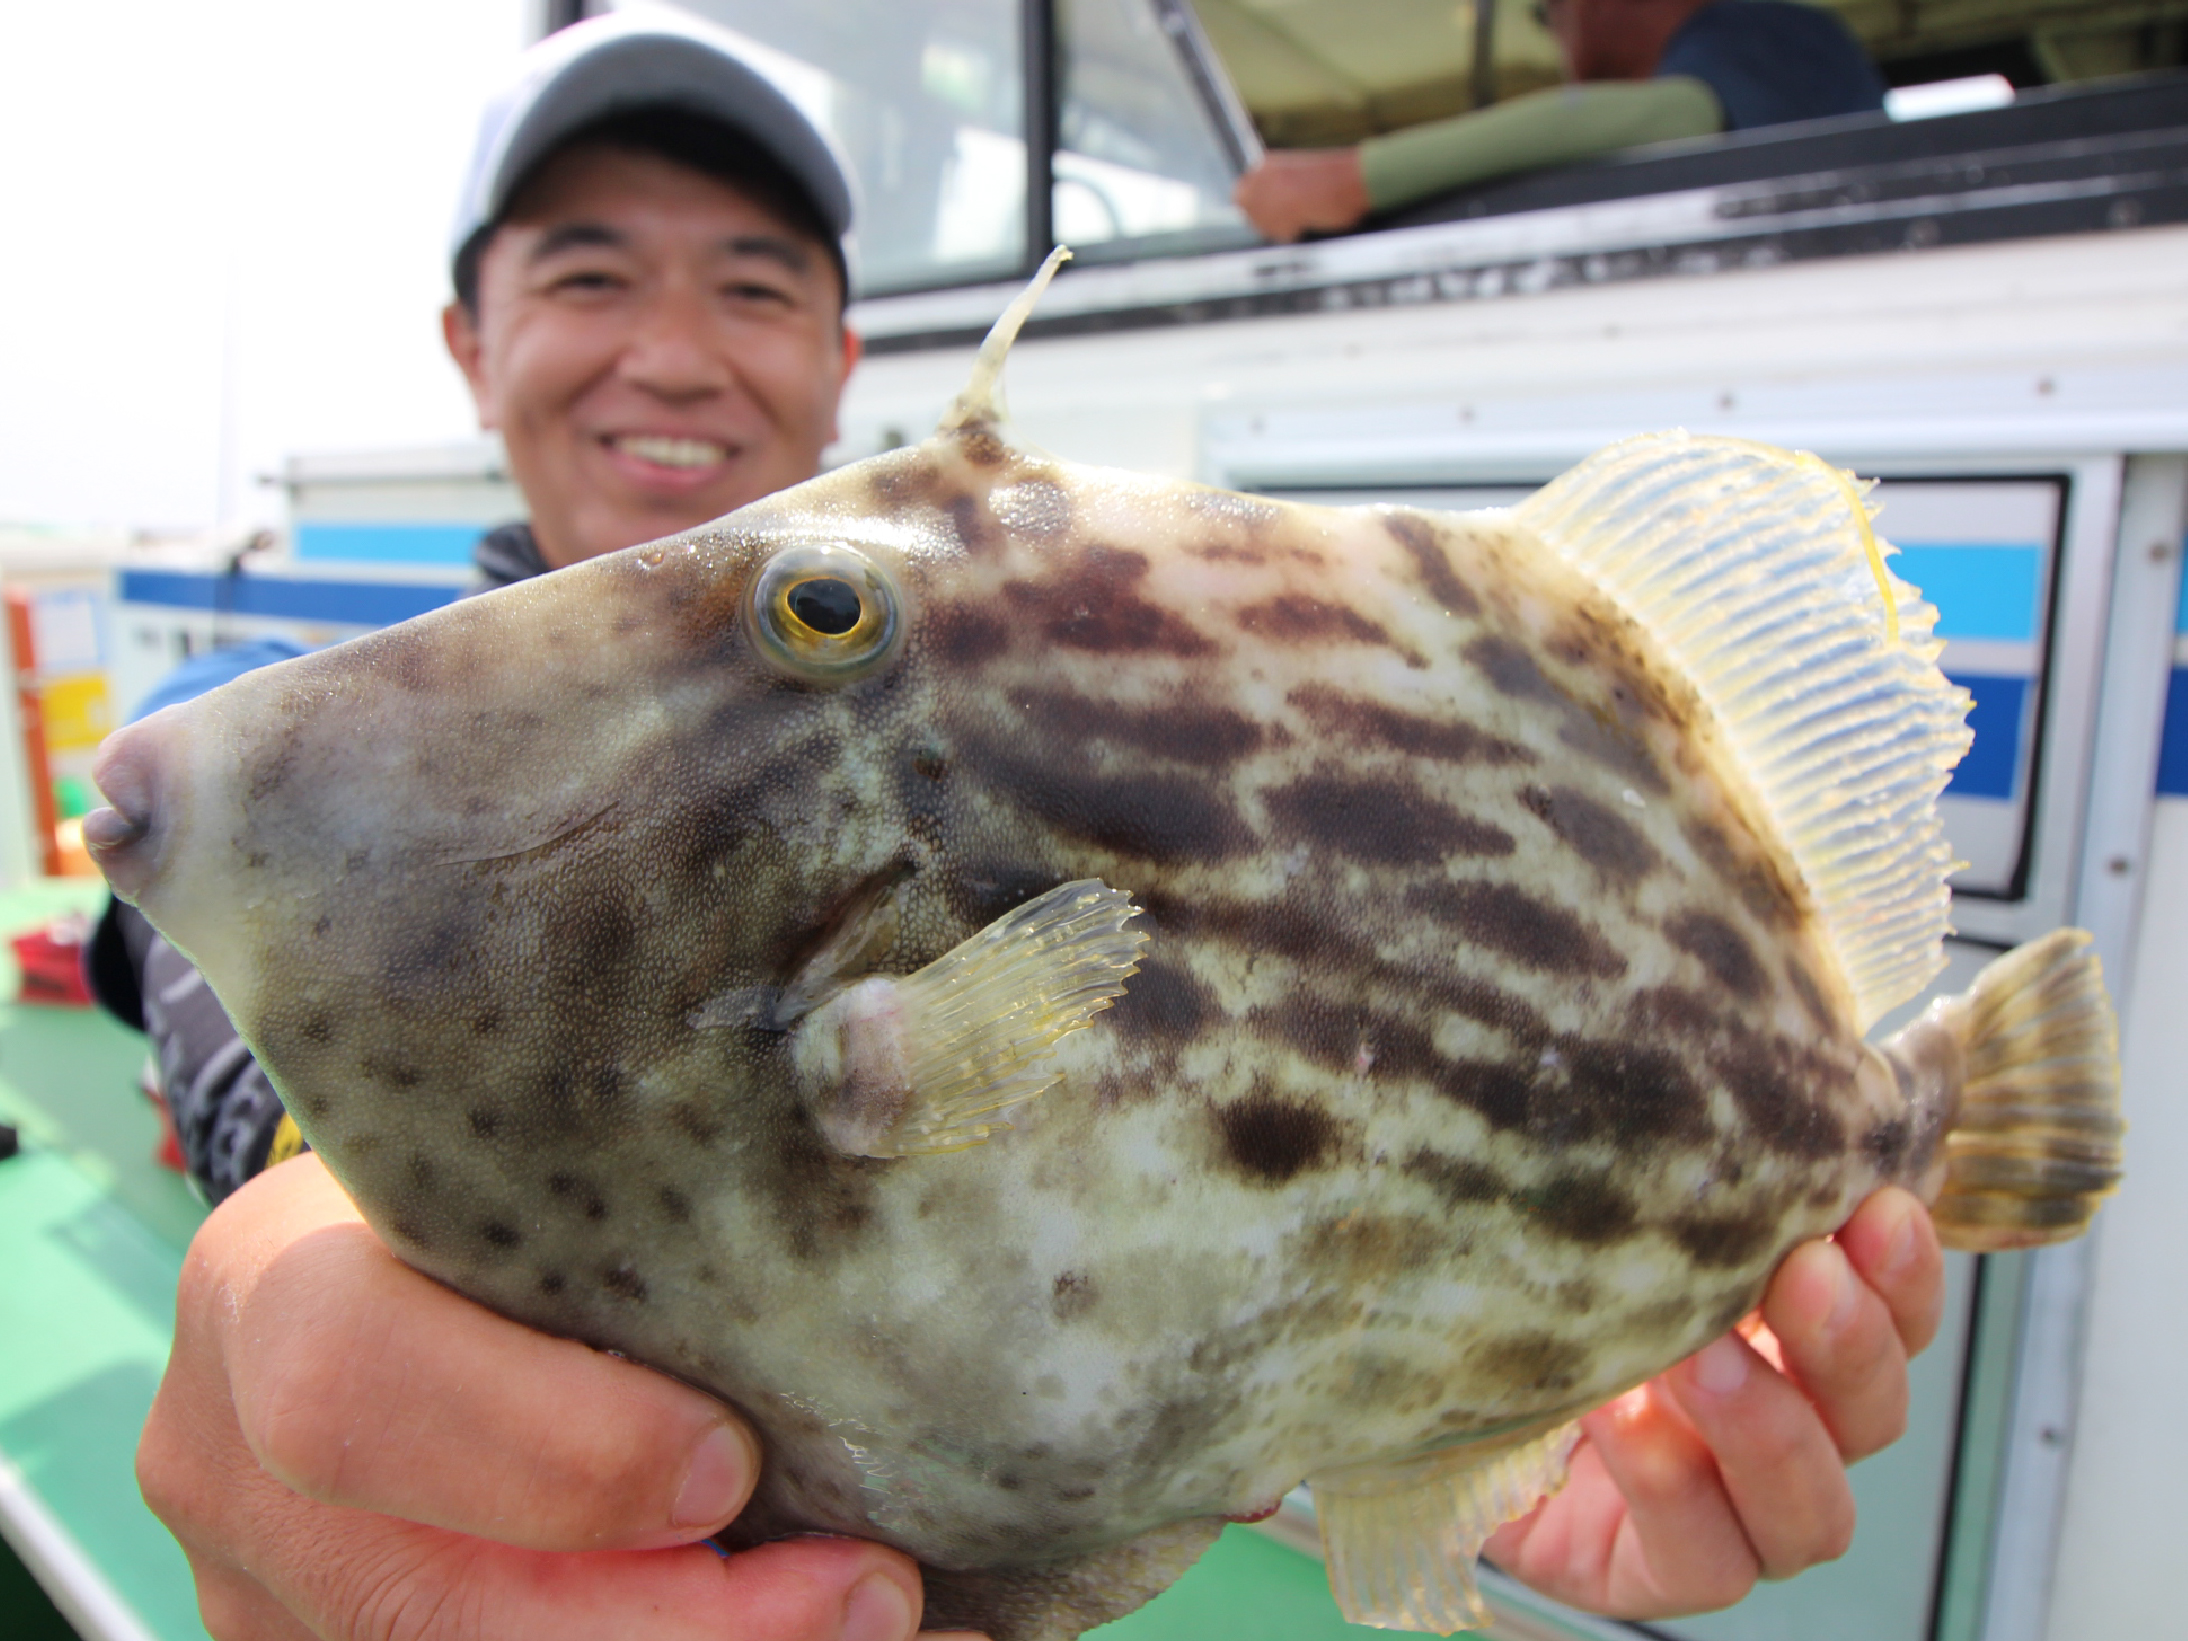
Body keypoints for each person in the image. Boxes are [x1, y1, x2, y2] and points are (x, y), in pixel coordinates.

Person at [93, 12, 1943, 1641]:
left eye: (749, 284)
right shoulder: (339, 707)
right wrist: (285, 1244)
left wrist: (1431, 1440)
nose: (671, 350)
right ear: (465, 336)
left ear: (837, 345)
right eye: (589, 276)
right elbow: (203, 994)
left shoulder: (1019, 636)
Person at [1235, 0, 1887, 242]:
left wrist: (1356, 177)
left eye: (1552, 15)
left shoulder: (1764, 32)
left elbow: (1677, 115)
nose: (1560, 44)